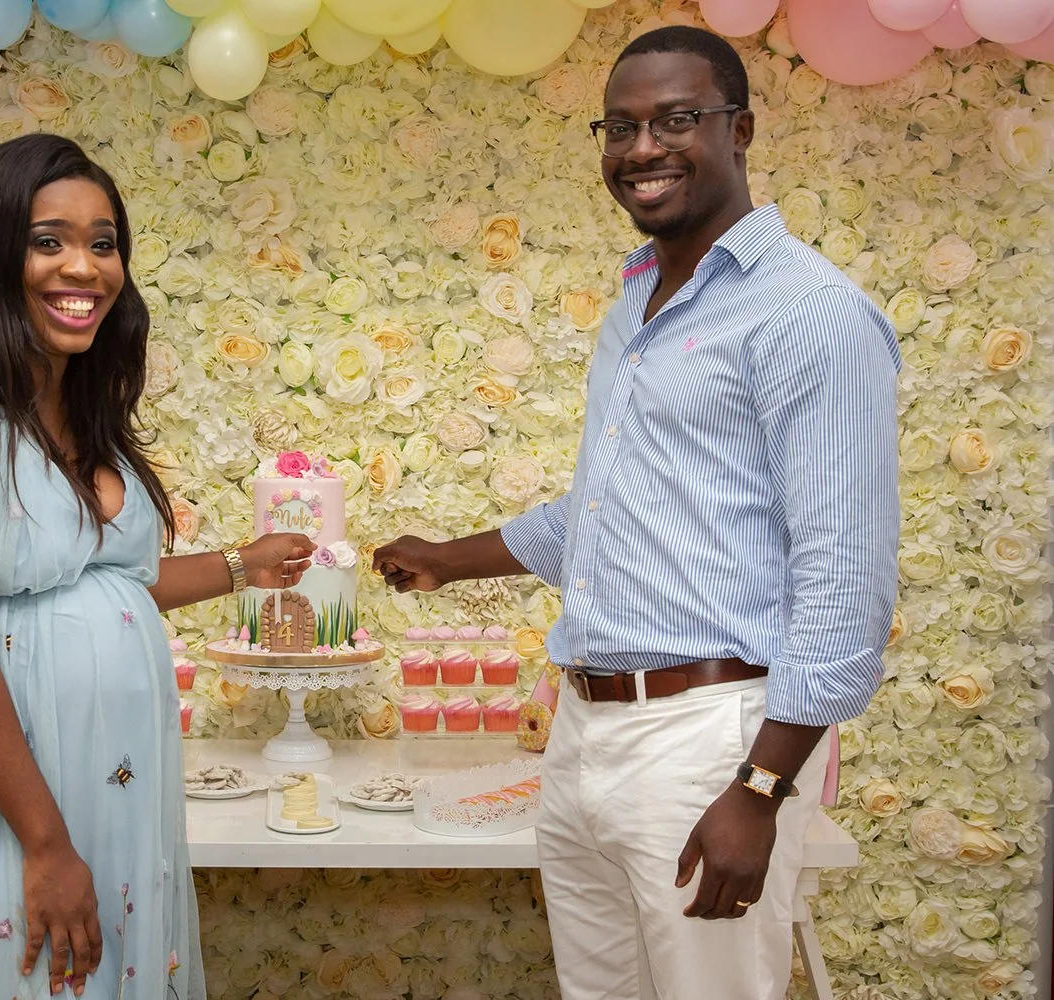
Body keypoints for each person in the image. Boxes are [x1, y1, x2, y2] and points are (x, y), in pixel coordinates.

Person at [374, 26, 899, 1000]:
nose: (643, 147)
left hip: (709, 739)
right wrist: (449, 558)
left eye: (676, 119)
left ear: (739, 130)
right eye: (620, 126)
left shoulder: (810, 314)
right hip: (586, 732)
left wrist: (759, 785)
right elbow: (619, 510)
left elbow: (845, 570)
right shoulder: (638, 301)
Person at [0, 134, 313, 1000]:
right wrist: (45, 843)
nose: (85, 267)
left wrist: (243, 567)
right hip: (9, 790)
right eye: (49, 239)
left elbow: (106, 588)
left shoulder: (79, 399)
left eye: (104, 244)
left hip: (116, 785)